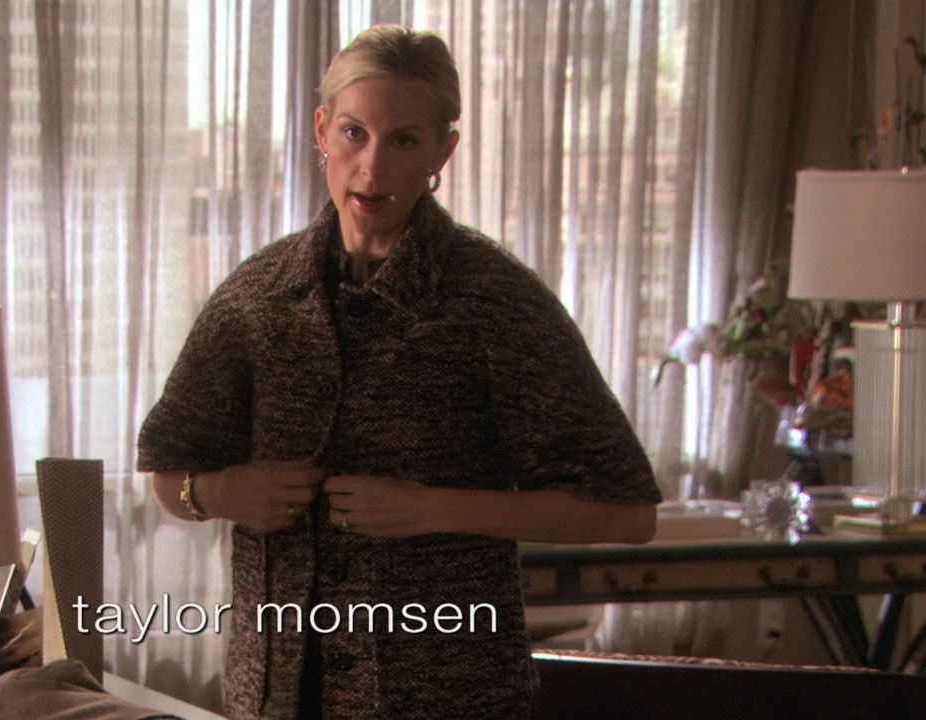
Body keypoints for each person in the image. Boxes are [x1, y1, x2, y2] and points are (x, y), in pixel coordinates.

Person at [138, 25, 661, 720]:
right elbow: (168, 476)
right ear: (322, 131)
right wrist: (218, 492)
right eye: (354, 133)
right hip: (272, 698)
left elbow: (627, 513)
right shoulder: (256, 295)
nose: (372, 167)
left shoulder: (493, 299)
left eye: (404, 140)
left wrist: (434, 508)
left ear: (443, 150)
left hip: (449, 698)